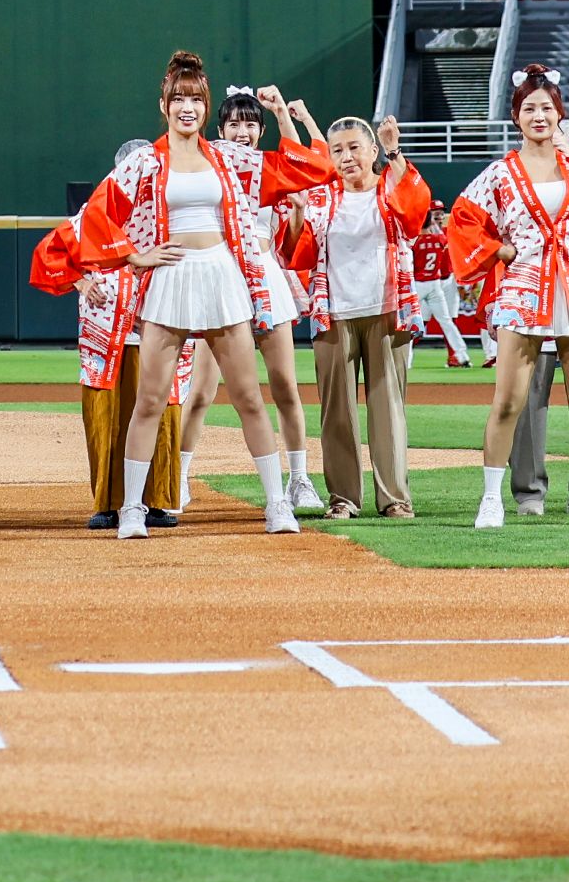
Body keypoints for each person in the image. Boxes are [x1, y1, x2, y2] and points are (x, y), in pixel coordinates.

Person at [74, 50, 338, 540]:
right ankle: (133, 508)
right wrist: (135, 256)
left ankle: (278, 504)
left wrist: (286, 118)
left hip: (220, 274)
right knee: (150, 401)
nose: (187, 107)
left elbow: (305, 170)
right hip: (171, 278)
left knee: (248, 399)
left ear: (204, 104)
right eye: (178, 98)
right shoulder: (145, 162)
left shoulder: (231, 157)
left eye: (195, 98)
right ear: (163, 105)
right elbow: (96, 213)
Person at [448, 62, 569, 530]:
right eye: (530, 108)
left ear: (560, 115)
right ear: (516, 117)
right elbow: (462, 218)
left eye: (547, 108)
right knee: (509, 401)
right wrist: (501, 249)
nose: (539, 116)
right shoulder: (499, 173)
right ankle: (491, 499)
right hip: (523, 292)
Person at [277, 106, 434, 520]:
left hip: (388, 313)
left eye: (354, 148)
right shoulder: (319, 199)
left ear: (371, 150)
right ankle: (343, 498)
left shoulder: (389, 188)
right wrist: (295, 214)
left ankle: (395, 499)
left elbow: (414, 213)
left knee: (388, 410)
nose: (346, 157)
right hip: (333, 314)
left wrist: (394, 151)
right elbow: (297, 253)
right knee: (337, 413)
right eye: (337, 150)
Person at [179, 87, 325, 512]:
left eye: (249, 124)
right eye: (234, 124)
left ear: (259, 131)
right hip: (222, 279)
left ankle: (299, 480)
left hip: (266, 277)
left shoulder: (269, 173)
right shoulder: (206, 166)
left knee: (284, 386)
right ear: (219, 128)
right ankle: (180, 478)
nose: (241, 132)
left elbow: (291, 243)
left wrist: (297, 211)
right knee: (202, 390)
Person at [30, 145, 185, 530]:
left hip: (159, 329)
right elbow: (45, 255)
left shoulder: (172, 216)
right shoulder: (89, 219)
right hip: (105, 335)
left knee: (162, 415)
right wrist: (80, 281)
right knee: (106, 418)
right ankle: (108, 502)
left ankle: (158, 501)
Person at [407, 206, 473, 366]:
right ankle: (462, 355)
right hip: (435, 285)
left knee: (409, 324)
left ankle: (406, 361)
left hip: (418, 285)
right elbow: (441, 237)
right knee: (446, 321)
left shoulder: (414, 242)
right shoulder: (439, 239)